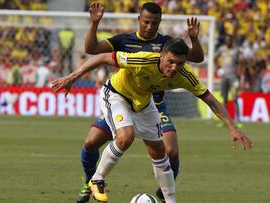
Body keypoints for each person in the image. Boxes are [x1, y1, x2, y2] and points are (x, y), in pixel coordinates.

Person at [51, 38, 252, 203]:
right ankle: (97, 179)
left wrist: (231, 127)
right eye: (170, 61)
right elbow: (103, 57)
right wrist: (71, 77)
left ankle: (170, 201)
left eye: (180, 63)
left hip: (143, 104)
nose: (174, 68)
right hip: (116, 95)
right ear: (161, 56)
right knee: (125, 136)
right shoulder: (143, 60)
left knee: (159, 150)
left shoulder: (185, 75)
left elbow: (210, 100)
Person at [78, 2, 204, 202]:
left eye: (154, 23)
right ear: (139, 20)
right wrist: (94, 24)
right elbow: (92, 49)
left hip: (154, 105)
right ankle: (89, 183)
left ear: (159, 22)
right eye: (146, 22)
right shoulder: (124, 40)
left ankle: (164, 194)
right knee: (90, 142)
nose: (149, 26)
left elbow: (196, 57)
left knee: (170, 150)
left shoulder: (167, 44)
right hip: (124, 100)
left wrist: (194, 40)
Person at [215, 35, 242, 127]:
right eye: (226, 41)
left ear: (232, 41)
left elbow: (242, 62)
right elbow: (215, 58)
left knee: (235, 98)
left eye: (229, 40)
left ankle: (238, 120)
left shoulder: (236, 50)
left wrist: (239, 72)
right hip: (224, 77)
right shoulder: (222, 49)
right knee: (224, 99)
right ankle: (225, 121)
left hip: (233, 77)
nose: (228, 42)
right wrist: (218, 68)